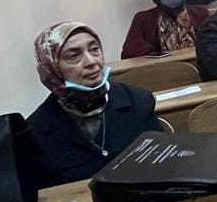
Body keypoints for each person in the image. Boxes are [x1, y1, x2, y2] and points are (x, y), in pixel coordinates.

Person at [30, 22, 162, 187]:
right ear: (51, 67)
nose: (91, 61)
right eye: (73, 56)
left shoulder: (137, 100)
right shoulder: (37, 129)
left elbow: (163, 165)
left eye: (94, 49)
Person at [121, 0, 210, 58]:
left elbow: (212, 40)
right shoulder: (144, 19)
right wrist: (158, 54)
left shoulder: (199, 12)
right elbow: (129, 51)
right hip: (163, 66)